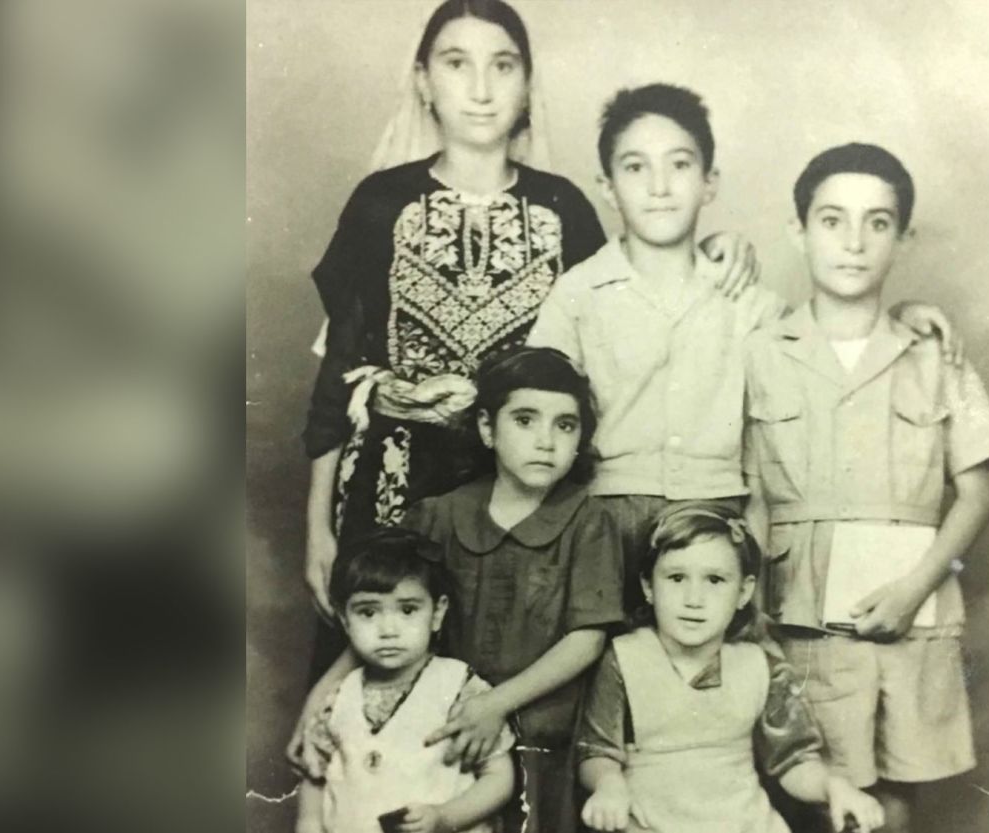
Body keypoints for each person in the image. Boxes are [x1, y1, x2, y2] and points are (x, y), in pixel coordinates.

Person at [301, 0, 758, 665]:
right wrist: (316, 528)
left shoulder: (563, 206)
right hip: (391, 490)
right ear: (425, 80)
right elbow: (334, 379)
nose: (481, 89)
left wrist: (721, 245)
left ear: (527, 85)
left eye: (503, 65)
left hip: (528, 499)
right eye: (457, 64)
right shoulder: (380, 202)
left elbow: (633, 280)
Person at [526, 83, 960, 615]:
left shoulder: (753, 305)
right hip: (602, 516)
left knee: (714, 684)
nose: (660, 187)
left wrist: (901, 316)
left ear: (710, 183)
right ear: (608, 187)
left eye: (680, 165)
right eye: (636, 168)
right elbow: (533, 402)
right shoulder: (577, 293)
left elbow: (835, 343)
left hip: (719, 523)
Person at [743, 143, 989, 833]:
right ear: (798, 231)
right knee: (807, 781)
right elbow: (749, 493)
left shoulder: (935, 356)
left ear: (903, 237)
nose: (854, 243)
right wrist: (750, 609)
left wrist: (917, 584)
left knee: (895, 797)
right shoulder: (761, 351)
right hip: (796, 609)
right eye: (832, 220)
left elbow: (977, 493)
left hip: (909, 606)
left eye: (877, 223)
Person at [298, 346, 625, 833]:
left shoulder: (589, 520)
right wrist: (315, 705)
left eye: (565, 425)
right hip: (443, 740)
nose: (546, 441)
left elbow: (587, 639)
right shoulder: (438, 516)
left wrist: (495, 705)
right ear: (488, 429)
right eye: (525, 420)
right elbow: (385, 621)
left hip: (541, 740)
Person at [575, 505, 885, 833]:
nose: (694, 598)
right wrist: (608, 784)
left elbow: (793, 761)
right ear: (649, 587)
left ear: (743, 591)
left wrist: (833, 786)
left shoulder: (761, 665)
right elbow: (596, 751)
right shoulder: (626, 657)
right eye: (677, 578)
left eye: (715, 580)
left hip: (744, 823)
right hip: (649, 823)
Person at [295, 528, 515, 833]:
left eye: (408, 610)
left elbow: (499, 776)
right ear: (345, 621)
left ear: (437, 614)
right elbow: (314, 777)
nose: (388, 629)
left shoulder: (459, 688)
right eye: (368, 613)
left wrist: (445, 817)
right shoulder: (338, 696)